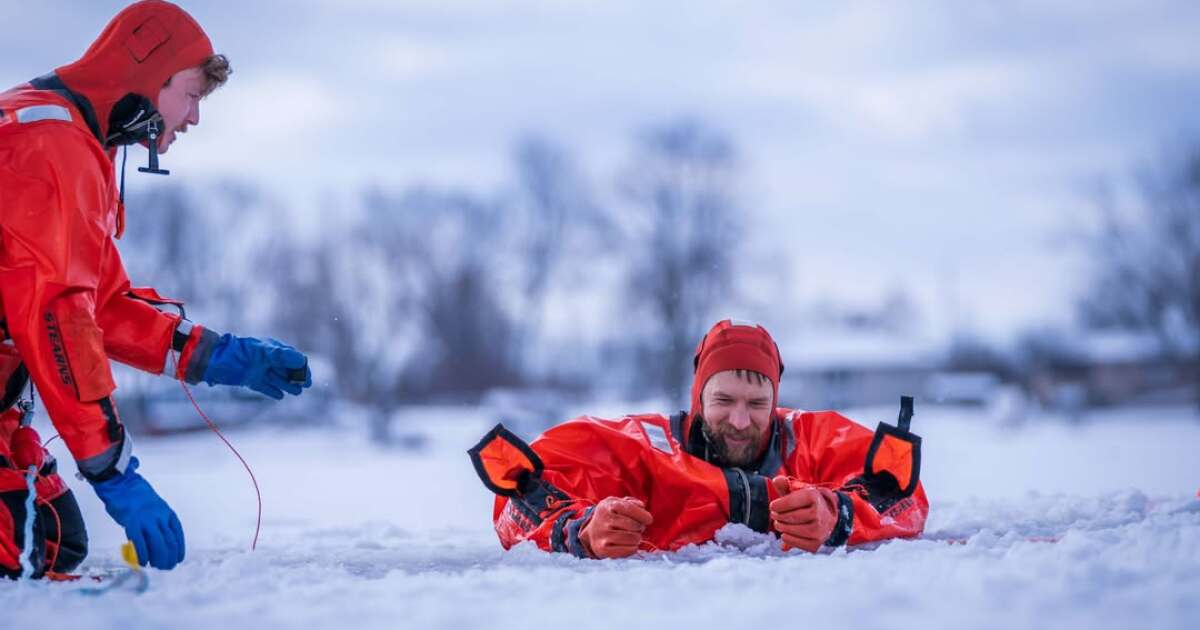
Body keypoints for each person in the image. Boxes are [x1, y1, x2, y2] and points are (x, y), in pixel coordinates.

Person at [0, 1, 312, 578]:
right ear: (147, 76)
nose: (194, 117)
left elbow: (101, 306)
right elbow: (58, 317)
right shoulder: (49, 146)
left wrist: (221, 357)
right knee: (20, 557)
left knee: (55, 542)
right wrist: (113, 472)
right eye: (191, 95)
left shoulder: (74, 138)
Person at [470, 319, 928, 558]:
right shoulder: (638, 444)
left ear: (776, 400)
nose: (740, 421)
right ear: (697, 396)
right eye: (723, 400)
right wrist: (581, 531)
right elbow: (520, 495)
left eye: (757, 404)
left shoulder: (813, 438)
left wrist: (838, 515)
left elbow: (901, 495)